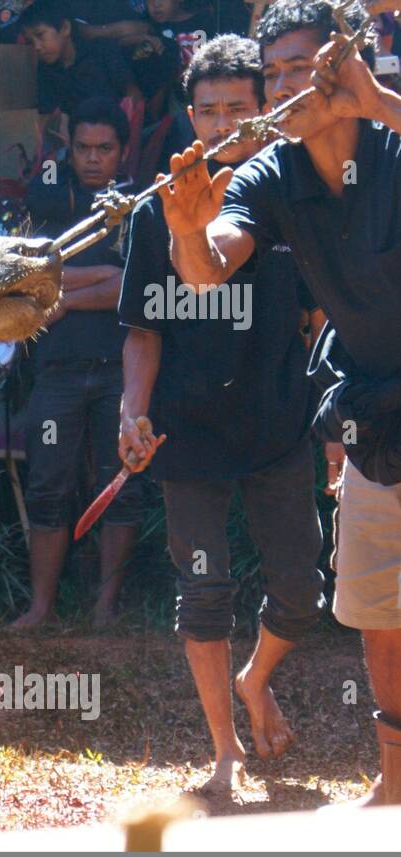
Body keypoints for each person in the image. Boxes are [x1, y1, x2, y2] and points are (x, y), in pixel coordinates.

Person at [158, 0, 401, 804]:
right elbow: (208, 266)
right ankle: (395, 788)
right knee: (378, 605)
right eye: (276, 75)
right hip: (374, 408)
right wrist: (189, 232)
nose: (290, 86)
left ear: (343, 62)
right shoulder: (271, 174)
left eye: (304, 66)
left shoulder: (390, 137)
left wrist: (377, 102)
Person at [119, 34, 325, 799]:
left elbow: (316, 321)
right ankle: (224, 752)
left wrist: (334, 429)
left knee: (302, 589)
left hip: (279, 422)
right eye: (208, 111)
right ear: (189, 114)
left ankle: (256, 676)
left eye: (239, 107)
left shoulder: (288, 195)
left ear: (266, 108)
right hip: (187, 430)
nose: (222, 124)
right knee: (204, 588)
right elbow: (143, 328)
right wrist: (130, 413)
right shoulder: (156, 208)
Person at [13, 96, 141, 628]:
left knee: (120, 484)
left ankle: (105, 609)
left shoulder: (141, 204)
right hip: (57, 370)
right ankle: (40, 608)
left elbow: (135, 286)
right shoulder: (48, 203)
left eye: (104, 149)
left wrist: (64, 296)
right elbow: (31, 281)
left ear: (122, 151)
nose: (93, 158)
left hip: (122, 367)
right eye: (83, 148)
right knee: (47, 485)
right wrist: (85, 283)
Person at [22, 0, 140, 125]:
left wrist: (119, 127)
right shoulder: (45, 71)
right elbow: (48, 116)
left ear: (65, 28)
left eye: (40, 35)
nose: (36, 47)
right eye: (30, 41)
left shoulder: (102, 50)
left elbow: (133, 94)